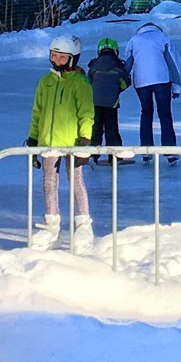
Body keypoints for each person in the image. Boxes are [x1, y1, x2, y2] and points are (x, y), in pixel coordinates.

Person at [28, 35, 95, 251]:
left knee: (76, 181)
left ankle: (84, 225)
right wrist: (33, 139)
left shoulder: (79, 83)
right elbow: (37, 113)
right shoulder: (45, 82)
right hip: (49, 142)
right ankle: (51, 225)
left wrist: (85, 140)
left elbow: (86, 113)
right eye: (54, 56)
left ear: (72, 59)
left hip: (73, 143)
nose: (56, 60)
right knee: (49, 182)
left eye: (62, 57)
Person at [127, 20, 181, 160]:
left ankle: (146, 150)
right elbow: (173, 62)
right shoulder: (163, 38)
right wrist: (177, 85)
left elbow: (127, 63)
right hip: (162, 81)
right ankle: (169, 149)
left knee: (146, 113)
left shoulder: (134, 40)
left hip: (141, 82)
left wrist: (118, 85)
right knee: (165, 114)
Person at [87, 37, 130, 152]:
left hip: (95, 101)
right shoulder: (118, 65)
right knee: (112, 128)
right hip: (111, 102)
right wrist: (117, 89)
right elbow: (125, 82)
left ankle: (93, 154)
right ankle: (115, 155)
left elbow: (89, 81)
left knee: (96, 128)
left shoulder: (93, 64)